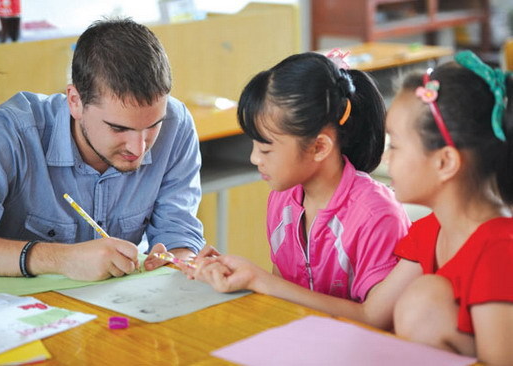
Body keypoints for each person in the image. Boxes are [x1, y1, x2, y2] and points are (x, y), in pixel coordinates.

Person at [186, 51, 513, 365]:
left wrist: (258, 279)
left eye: (396, 146)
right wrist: (253, 278)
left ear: (445, 162)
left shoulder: (499, 250)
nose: (385, 158)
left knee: (424, 299)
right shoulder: (430, 232)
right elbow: (372, 312)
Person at [0, 18, 205, 281]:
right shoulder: (12, 134)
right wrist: (61, 259)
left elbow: (178, 233)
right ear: (75, 101)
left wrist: (183, 262)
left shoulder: (176, 124)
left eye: (153, 125)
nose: (139, 148)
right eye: (119, 128)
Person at [181, 52, 410, 303]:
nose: (255, 158)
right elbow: (285, 298)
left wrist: (257, 279)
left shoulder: (376, 216)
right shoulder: (282, 200)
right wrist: (236, 277)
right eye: (254, 145)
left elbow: (377, 323)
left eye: (266, 149)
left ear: (319, 147)